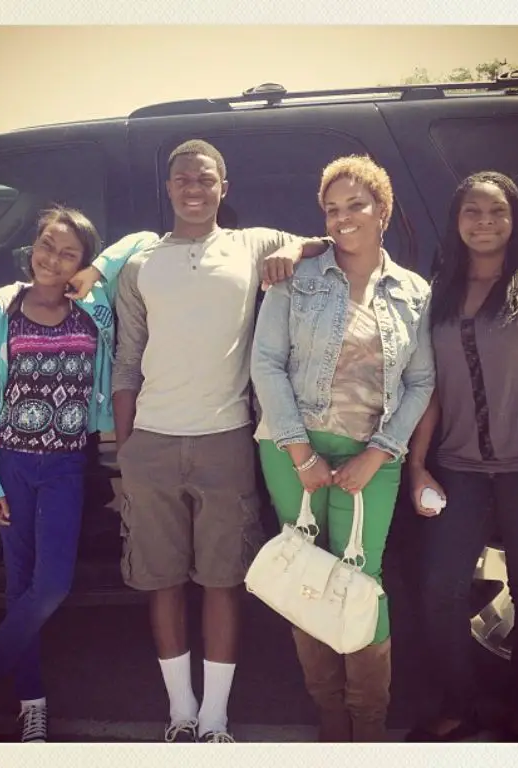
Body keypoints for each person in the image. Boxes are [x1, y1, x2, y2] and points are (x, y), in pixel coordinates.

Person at [70, 139, 329, 743]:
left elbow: (323, 243)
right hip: (152, 442)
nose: (193, 188)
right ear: (169, 188)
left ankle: (215, 719)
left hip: (225, 439)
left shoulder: (250, 244)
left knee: (222, 579)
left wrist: (294, 246)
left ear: (223, 187)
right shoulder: (141, 264)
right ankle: (180, 713)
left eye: (205, 179)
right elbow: (128, 359)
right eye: (182, 178)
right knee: (161, 580)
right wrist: (126, 441)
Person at [0, 206, 157, 743]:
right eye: (46, 245)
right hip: (13, 465)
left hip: (66, 465)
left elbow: (144, 235)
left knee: (52, 585)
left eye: (69, 254)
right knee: (21, 589)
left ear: (81, 262)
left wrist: (99, 271)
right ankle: (31, 704)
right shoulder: (1, 310)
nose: (53, 260)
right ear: (31, 246)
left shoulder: (91, 308)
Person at [250, 155, 435, 742]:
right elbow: (266, 363)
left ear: (383, 209)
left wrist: (379, 453)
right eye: (332, 208)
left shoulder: (414, 292)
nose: (344, 217)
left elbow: (421, 382)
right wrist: (301, 453)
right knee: (307, 572)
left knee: (361, 576)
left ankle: (370, 724)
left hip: (370, 454)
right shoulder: (296, 278)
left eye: (357, 204)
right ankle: (331, 719)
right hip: (289, 446)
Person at [406, 171, 518, 742]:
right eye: (472, 213)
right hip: (458, 468)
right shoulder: (437, 294)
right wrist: (418, 464)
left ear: (515, 221)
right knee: (440, 588)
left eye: (497, 212)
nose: (484, 222)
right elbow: (428, 387)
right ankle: (461, 705)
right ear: (456, 222)